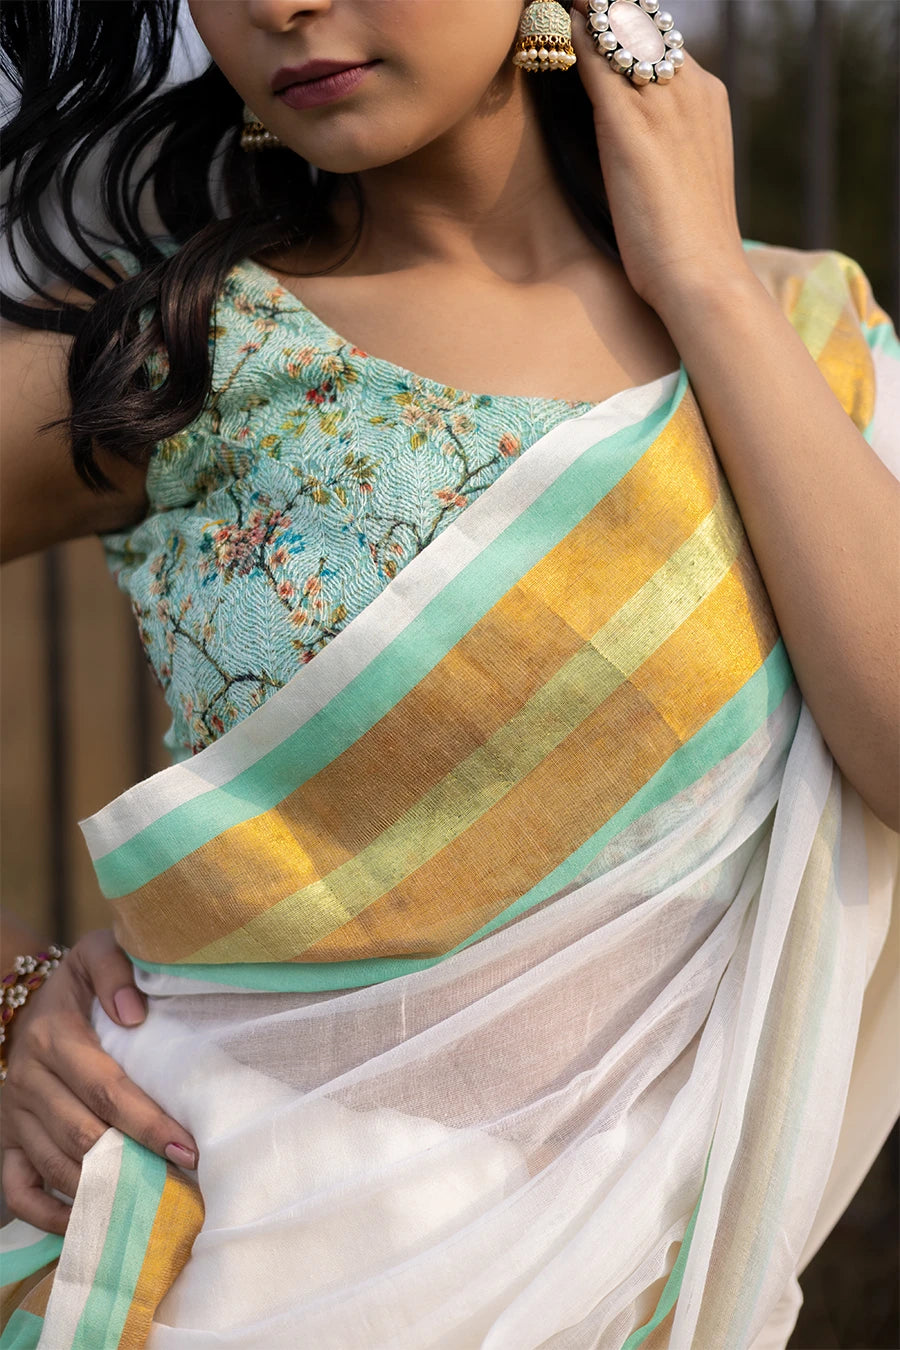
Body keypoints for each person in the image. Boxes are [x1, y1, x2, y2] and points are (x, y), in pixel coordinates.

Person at [0, 0, 897, 1346]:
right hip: (216, 1276)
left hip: (622, 1295)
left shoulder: (797, 332)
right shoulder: (190, 348)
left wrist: (702, 278)